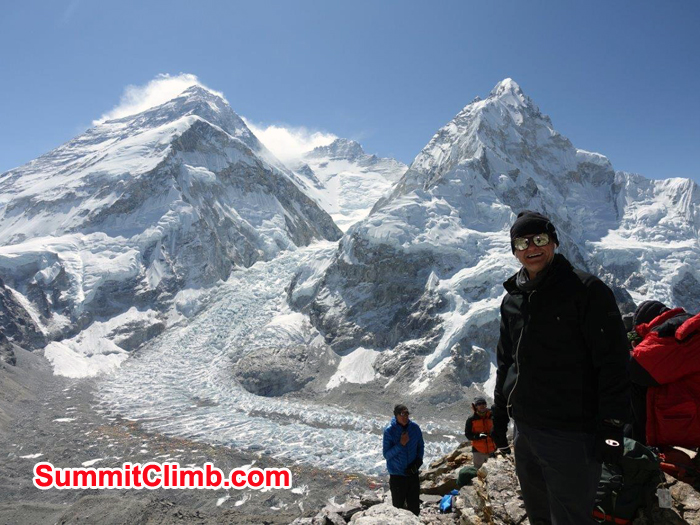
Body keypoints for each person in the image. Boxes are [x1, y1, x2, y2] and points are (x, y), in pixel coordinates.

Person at [491, 210, 630, 524]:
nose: (531, 247)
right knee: (539, 515)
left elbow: (614, 361)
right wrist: (500, 416)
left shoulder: (586, 291)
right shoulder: (513, 299)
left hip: (572, 434)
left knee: (571, 519)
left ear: (553, 241)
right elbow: (507, 362)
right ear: (514, 250)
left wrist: (612, 426)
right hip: (525, 429)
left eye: (539, 239)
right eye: (522, 242)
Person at [629, 300, 700, 449]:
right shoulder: (688, 326)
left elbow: (638, 369)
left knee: (633, 383)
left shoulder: (668, 330)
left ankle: (640, 447)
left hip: (687, 428)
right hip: (692, 412)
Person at [382, 404, 424, 516]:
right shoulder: (389, 431)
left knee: (414, 507)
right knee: (398, 508)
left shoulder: (414, 428)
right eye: (402, 414)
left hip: (412, 473)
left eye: (407, 413)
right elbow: (387, 454)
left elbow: (420, 445)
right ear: (396, 415)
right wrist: (401, 444)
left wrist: (418, 461)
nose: (405, 416)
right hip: (397, 476)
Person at [464, 396, 496, 468]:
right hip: (478, 451)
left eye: (483, 403)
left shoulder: (492, 415)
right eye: (479, 404)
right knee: (478, 471)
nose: (482, 405)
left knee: (492, 471)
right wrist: (478, 436)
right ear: (475, 406)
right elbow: (468, 434)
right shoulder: (471, 419)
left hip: (492, 449)